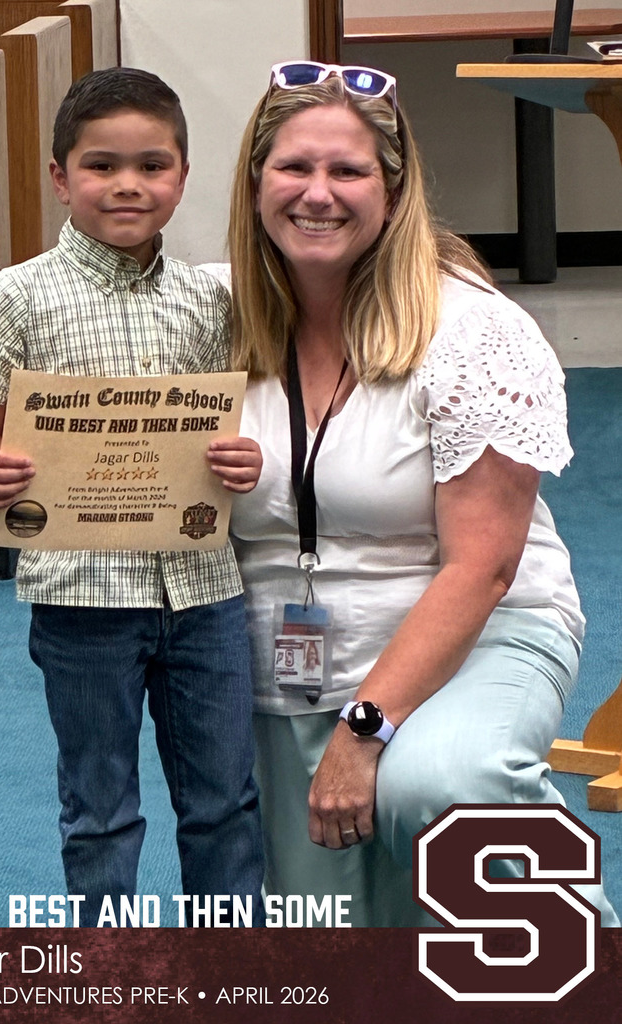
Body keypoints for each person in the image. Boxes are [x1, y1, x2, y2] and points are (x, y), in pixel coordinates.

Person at [225, 60, 618, 926]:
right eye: (293, 167)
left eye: (348, 170)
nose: (317, 194)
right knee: (335, 949)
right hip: (286, 665)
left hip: (472, 636)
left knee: (442, 786)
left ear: (393, 193)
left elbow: (482, 567)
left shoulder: (472, 331)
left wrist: (365, 731)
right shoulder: (209, 320)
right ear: (255, 182)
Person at [0, 67, 265, 927]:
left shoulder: (210, 296)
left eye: (151, 165)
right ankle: (108, 975)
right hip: (80, 596)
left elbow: (228, 426)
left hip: (203, 590)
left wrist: (244, 460)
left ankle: (231, 974)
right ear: (60, 177)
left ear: (182, 176)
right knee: (99, 812)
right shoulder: (20, 291)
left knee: (225, 803)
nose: (127, 184)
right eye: (100, 166)